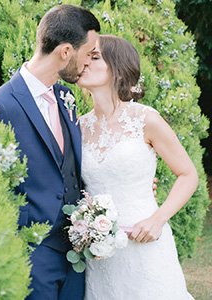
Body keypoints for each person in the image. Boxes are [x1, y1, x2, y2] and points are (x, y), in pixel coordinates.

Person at [0, 4, 100, 299]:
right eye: (88, 54)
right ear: (65, 51)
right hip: (32, 254)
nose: (90, 62)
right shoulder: (0, 105)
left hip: (76, 254)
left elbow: (74, 165)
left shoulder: (66, 97)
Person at [76, 34, 196, 299]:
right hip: (99, 254)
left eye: (95, 57)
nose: (85, 63)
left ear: (117, 68)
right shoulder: (78, 127)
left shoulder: (146, 119)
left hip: (145, 242)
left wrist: (158, 219)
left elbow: (188, 174)